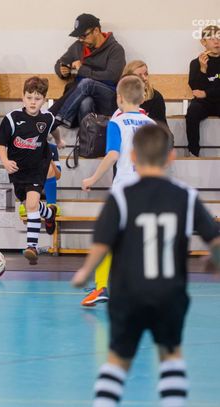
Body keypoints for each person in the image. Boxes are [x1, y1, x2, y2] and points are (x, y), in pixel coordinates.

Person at [71, 124, 220, 407]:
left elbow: (101, 244)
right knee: (171, 356)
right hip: (169, 293)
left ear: (133, 157)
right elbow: (215, 239)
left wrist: (84, 273)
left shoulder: (121, 196)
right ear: (171, 157)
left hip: (129, 294)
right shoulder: (186, 196)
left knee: (117, 360)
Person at [81, 75, 155, 306]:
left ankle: (102, 286)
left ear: (119, 98)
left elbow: (113, 154)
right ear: (142, 97)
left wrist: (93, 178)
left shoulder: (117, 122)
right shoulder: (151, 124)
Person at [0, 76, 64, 264]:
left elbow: (54, 128)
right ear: (23, 97)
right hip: (18, 170)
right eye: (29, 97)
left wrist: (58, 140)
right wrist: (5, 161)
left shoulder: (47, 118)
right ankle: (49, 214)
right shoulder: (12, 119)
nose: (33, 102)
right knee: (30, 205)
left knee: (32, 204)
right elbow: (0, 144)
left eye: (37, 98)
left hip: (38, 167)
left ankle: (32, 247)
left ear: (44, 99)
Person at [52, 14, 126, 128]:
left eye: (83, 36)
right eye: (79, 37)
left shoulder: (115, 49)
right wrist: (62, 70)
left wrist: (82, 70)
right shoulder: (78, 46)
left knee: (87, 83)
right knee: (86, 102)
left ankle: (56, 119)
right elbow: (60, 63)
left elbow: (112, 77)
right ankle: (85, 138)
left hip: (107, 97)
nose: (81, 40)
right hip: (82, 96)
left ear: (96, 31)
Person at [186, 25, 220, 157]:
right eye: (212, 38)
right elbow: (195, 88)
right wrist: (203, 69)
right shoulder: (196, 63)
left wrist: (206, 93)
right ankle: (193, 152)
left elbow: (202, 92)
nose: (216, 41)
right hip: (204, 103)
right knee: (192, 111)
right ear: (203, 42)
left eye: (219, 38)